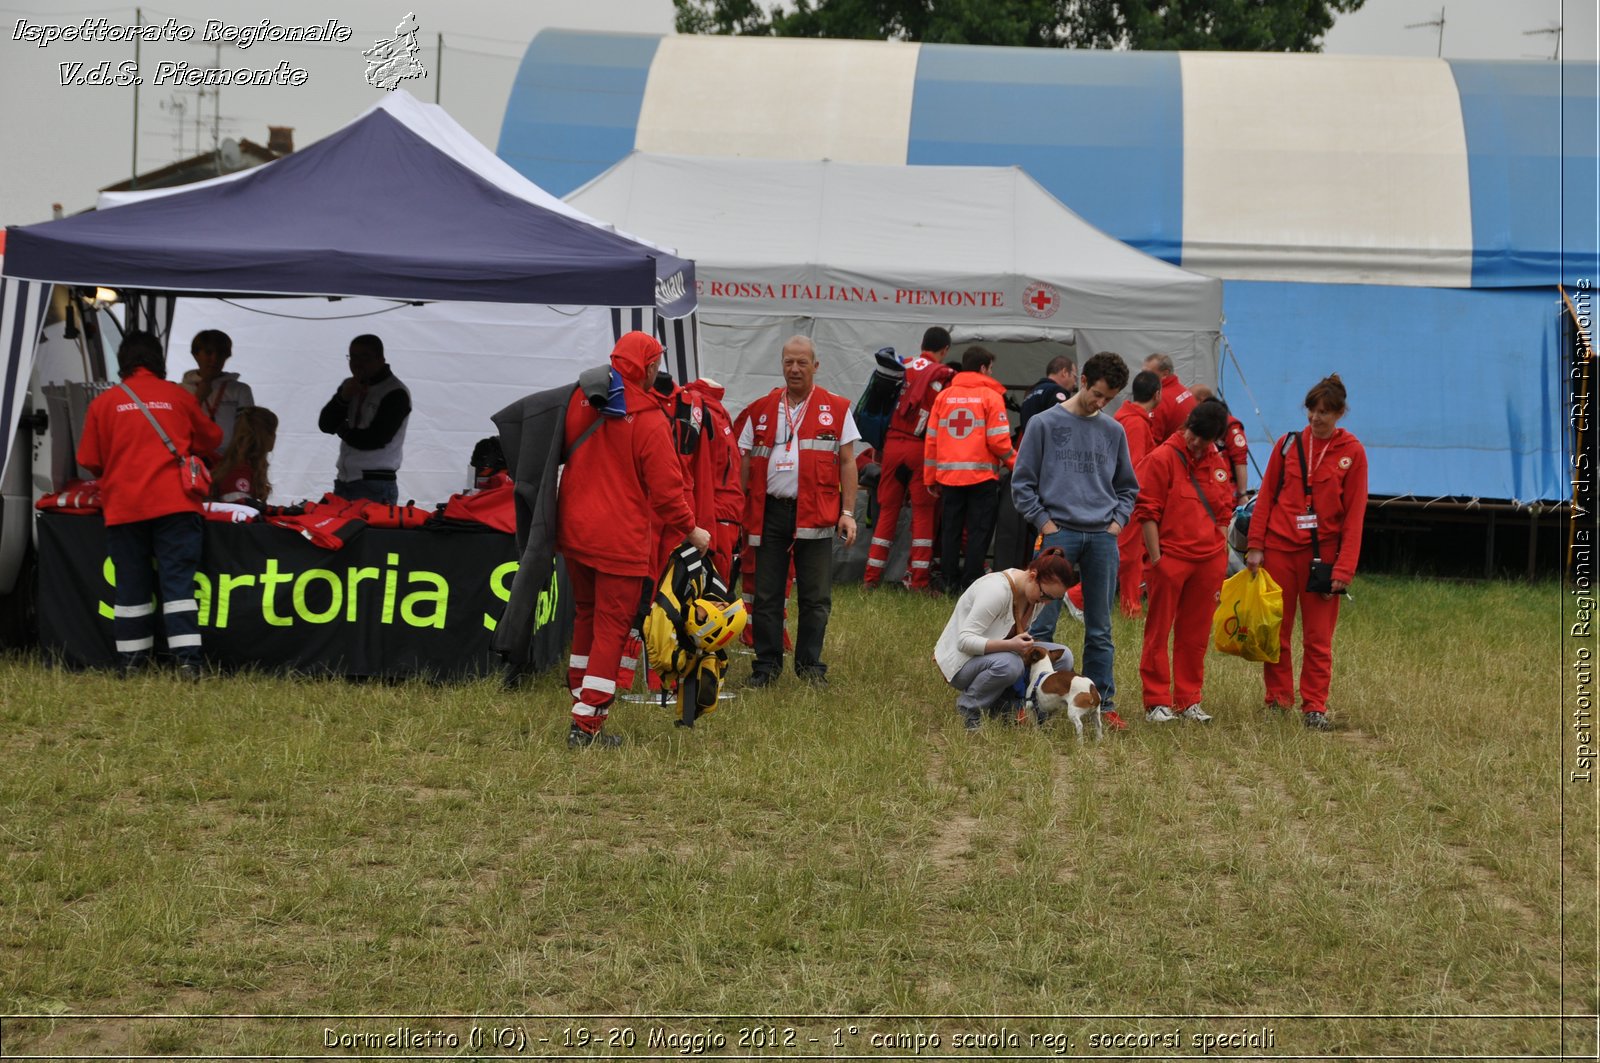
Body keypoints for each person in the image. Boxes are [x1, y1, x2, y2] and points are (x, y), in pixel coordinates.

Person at [558, 332, 709, 748]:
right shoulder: (647, 418)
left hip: (574, 531)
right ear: (645, 366)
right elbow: (667, 493)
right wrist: (692, 529)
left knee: (586, 616)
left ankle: (579, 700)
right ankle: (587, 725)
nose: (658, 370)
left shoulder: (580, 399)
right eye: (655, 363)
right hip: (618, 540)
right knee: (611, 627)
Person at [77, 330, 223, 679]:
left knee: (130, 584)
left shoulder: (104, 403)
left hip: (125, 506)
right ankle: (188, 662)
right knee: (178, 585)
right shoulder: (178, 396)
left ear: (122, 360)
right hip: (175, 504)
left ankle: (131, 662)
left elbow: (89, 459)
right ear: (159, 359)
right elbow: (212, 438)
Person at [1011, 351, 1139, 730]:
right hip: (1058, 533)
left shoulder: (1113, 431)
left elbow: (1128, 488)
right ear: (1081, 380)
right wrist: (1046, 525)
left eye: (1109, 398)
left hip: (1102, 536)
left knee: (1100, 627)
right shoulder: (1043, 424)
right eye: (1097, 394)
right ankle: (1029, 701)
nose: (1101, 403)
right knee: (1041, 623)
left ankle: (1103, 703)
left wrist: (1116, 523)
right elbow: (1021, 484)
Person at [1246, 374, 1368, 731]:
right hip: (1279, 551)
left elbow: (1355, 517)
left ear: (1341, 413)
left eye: (1326, 412)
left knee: (1318, 638)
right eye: (1313, 410)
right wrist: (1255, 547)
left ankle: (1314, 705)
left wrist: (1343, 570)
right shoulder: (1287, 445)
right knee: (1275, 632)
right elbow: (1266, 496)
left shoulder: (1353, 453)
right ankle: (1277, 700)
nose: (1317, 418)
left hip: (1323, 557)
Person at [739, 335, 859, 688]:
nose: (794, 369)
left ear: (815, 366)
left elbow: (849, 462)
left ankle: (809, 667)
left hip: (817, 514)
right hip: (769, 513)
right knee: (766, 595)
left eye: (802, 362)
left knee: (815, 597)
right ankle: (766, 666)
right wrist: (739, 507)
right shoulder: (759, 409)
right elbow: (744, 461)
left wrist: (848, 512)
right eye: (788, 362)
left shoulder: (836, 408)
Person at [1133, 400, 1235, 723]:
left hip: (1208, 563)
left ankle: (1189, 700)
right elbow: (1146, 511)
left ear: (1216, 439)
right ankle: (1156, 701)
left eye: (1204, 439)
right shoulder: (1161, 458)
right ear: (1187, 425)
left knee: (1195, 634)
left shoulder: (1218, 463)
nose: (1196, 443)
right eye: (1193, 434)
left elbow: (1223, 511)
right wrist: (1158, 558)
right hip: (1171, 560)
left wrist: (1218, 553)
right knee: (1159, 632)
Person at [933, 547, 1079, 730]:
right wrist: (1010, 645)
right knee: (1010, 664)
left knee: (1064, 657)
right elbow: (964, 642)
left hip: (1000, 656)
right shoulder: (996, 590)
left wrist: (1017, 646)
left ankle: (1023, 708)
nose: (1047, 602)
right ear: (1033, 576)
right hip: (962, 664)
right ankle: (968, 711)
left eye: (1054, 599)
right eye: (1045, 595)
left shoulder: (1035, 597)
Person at [864, 327, 954, 592]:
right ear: (945, 349)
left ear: (922, 344)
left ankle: (870, 579)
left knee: (887, 512)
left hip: (892, 445)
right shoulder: (944, 375)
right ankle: (918, 581)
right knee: (923, 515)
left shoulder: (902, 365)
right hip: (920, 449)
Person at [925, 346, 1016, 593]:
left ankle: (949, 582)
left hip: (949, 478)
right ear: (984, 368)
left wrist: (930, 478)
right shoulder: (991, 397)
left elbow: (932, 439)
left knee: (951, 531)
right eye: (991, 368)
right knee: (979, 531)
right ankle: (972, 583)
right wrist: (1016, 465)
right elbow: (998, 441)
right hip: (981, 477)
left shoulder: (944, 397)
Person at [317, 334, 411, 504]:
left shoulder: (395, 392)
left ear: (381, 358)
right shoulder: (350, 385)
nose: (357, 363)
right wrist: (343, 397)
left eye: (365, 357)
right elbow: (326, 424)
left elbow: (374, 439)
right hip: (344, 480)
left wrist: (343, 430)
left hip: (376, 482)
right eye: (352, 357)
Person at [1113, 369, 1162, 617]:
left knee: (1131, 555)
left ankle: (1131, 607)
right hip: (1131, 499)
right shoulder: (1135, 423)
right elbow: (1135, 466)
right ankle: (1077, 596)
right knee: (1126, 555)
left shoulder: (1132, 419)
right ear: (1157, 394)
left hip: (1128, 498)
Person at [182, 329, 255, 451]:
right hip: (193, 457)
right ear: (195, 355)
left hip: (227, 460)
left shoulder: (240, 391)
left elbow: (247, 431)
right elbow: (177, 427)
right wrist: (198, 399)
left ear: (227, 356)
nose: (214, 359)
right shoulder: (180, 390)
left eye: (221, 353)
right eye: (208, 352)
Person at [210, 406, 279, 506]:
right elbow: (240, 515)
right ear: (266, 436)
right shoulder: (239, 472)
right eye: (274, 432)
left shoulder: (240, 467)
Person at [1016, 353, 1077, 438]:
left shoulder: (1030, 393)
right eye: (1075, 377)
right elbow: (1063, 424)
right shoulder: (1056, 391)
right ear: (1065, 372)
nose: (1075, 383)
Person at [1143, 352, 1196, 440]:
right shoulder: (1184, 391)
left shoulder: (1158, 401)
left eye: (1148, 374)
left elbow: (1152, 442)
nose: (1143, 378)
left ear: (1165, 374)